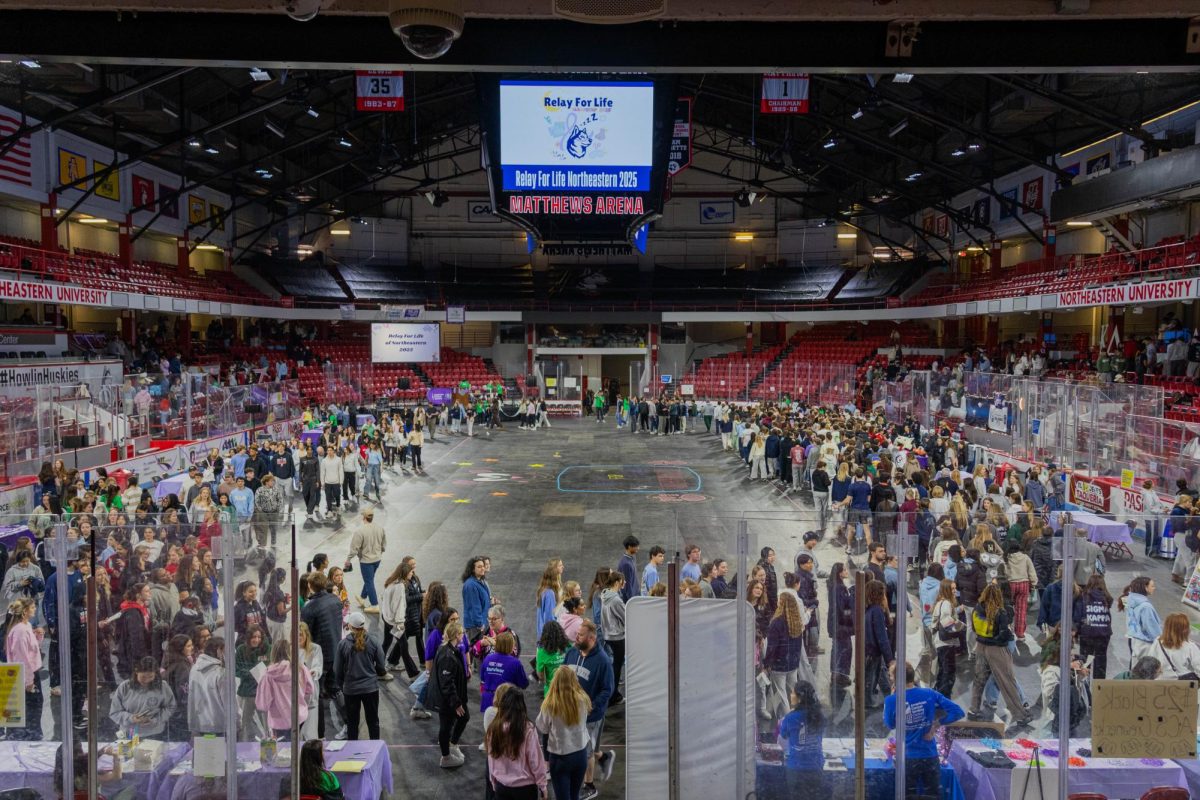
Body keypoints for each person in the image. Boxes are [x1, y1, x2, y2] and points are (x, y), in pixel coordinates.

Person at [884, 661, 965, 799]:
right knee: (932, 795)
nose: (890, 679)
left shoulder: (892, 700)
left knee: (907, 795)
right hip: (930, 756)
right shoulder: (929, 693)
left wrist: (892, 698)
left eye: (891, 676)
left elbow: (890, 724)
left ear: (897, 680)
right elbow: (958, 712)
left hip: (907, 758)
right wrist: (937, 724)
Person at [968, 584, 1034, 733]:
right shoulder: (1000, 612)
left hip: (980, 646)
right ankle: (1021, 715)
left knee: (979, 680)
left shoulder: (977, 609)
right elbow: (1004, 634)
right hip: (996, 649)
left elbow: (973, 628)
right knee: (1007, 681)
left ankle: (973, 710)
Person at [564, 619, 615, 800]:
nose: (576, 637)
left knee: (586, 751)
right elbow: (563, 674)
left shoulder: (602, 661)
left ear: (592, 638)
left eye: (580, 635)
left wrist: (591, 706)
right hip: (570, 712)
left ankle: (590, 786)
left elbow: (608, 689)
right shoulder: (571, 653)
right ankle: (604, 757)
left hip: (591, 717)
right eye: (577, 634)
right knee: (584, 748)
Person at [537, 666, 592, 800]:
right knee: (574, 795)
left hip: (560, 757)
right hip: (580, 754)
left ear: (555, 682)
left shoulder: (550, 704)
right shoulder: (583, 699)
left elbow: (542, 727)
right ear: (575, 680)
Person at [300, 571, 342, 737]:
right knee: (335, 689)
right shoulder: (335, 600)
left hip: (320, 656)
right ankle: (348, 723)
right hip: (336, 650)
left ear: (310, 586)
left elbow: (305, 633)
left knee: (316, 695)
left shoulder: (309, 607)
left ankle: (320, 733)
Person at [486, 688, 548, 800]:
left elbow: (491, 758)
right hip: (525, 789)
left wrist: (493, 780)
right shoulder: (528, 728)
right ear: (521, 706)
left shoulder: (493, 728)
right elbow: (535, 761)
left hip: (502, 786)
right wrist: (542, 786)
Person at [334, 611, 387, 740]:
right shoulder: (374, 641)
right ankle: (375, 750)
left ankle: (353, 753)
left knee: (352, 724)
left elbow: (337, 670)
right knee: (373, 721)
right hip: (371, 688)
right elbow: (381, 666)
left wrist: (342, 686)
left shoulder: (342, 645)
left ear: (350, 627)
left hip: (351, 690)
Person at [764, 592, 812, 720]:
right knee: (794, 691)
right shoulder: (797, 622)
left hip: (779, 664)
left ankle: (785, 720)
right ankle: (799, 715)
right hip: (793, 664)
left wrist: (767, 663)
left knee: (781, 693)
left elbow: (772, 647)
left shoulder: (776, 623)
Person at [429, 620, 470, 769]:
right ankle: (446, 757)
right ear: (457, 635)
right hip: (447, 700)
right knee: (446, 726)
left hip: (451, 698)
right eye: (462, 634)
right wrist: (456, 703)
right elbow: (447, 682)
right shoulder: (448, 656)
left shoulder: (449, 649)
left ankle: (452, 744)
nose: (464, 636)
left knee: (463, 718)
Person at [776, 681, 826, 800]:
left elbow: (782, 741)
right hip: (816, 767)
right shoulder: (820, 716)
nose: (791, 694)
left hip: (796, 769)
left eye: (793, 692)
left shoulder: (790, 718)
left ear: (799, 698)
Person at [256, 638, 315, 739]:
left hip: (278, 721)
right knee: (296, 745)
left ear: (273, 652)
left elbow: (263, 704)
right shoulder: (300, 668)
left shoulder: (268, 674)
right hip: (298, 716)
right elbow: (310, 689)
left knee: (282, 750)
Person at [109, 656, 176, 739]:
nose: (147, 680)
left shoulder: (163, 686)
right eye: (143, 677)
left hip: (155, 734)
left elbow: (171, 707)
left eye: (151, 677)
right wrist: (131, 718)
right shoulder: (124, 687)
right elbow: (114, 713)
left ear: (155, 673)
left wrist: (156, 720)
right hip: (129, 735)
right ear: (136, 671)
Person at [5, 598, 42, 740]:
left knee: (33, 707)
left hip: (30, 672)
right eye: (32, 608)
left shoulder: (26, 626)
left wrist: (37, 637)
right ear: (25, 612)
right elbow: (21, 657)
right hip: (26, 675)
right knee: (30, 708)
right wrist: (28, 681)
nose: (34, 609)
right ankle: (27, 736)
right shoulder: (20, 630)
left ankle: (30, 734)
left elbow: (31, 650)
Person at [1073, 574, 1113, 679]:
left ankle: (1084, 685)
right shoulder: (1107, 598)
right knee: (1101, 660)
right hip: (1104, 633)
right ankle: (1099, 687)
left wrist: (1076, 633)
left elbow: (1078, 616)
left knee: (1085, 660)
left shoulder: (1083, 597)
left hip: (1087, 632)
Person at [345, 508, 386, 609]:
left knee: (369, 581)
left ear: (363, 517)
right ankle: (362, 597)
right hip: (377, 559)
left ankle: (374, 605)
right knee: (369, 579)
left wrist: (348, 559)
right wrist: (379, 552)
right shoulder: (380, 528)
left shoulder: (360, 531)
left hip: (366, 561)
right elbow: (383, 544)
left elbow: (354, 548)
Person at [188, 636, 229, 736]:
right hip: (219, 726)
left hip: (199, 724)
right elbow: (229, 703)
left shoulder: (194, 668)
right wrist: (237, 723)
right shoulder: (221, 673)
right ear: (219, 651)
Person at [236, 624, 270, 739]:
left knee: (266, 723)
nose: (256, 640)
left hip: (263, 692)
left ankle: (268, 743)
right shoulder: (241, 650)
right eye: (254, 637)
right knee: (245, 721)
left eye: (259, 637)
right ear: (248, 637)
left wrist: (249, 670)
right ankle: (244, 745)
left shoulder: (267, 648)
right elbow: (237, 670)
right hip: (246, 693)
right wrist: (254, 671)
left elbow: (268, 668)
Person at [481, 631, 529, 712]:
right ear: (510, 646)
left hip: (489, 701)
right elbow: (523, 684)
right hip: (506, 701)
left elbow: (483, 678)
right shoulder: (515, 663)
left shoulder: (488, 658)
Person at [599, 572, 627, 705]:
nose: (624, 583)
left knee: (615, 664)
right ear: (617, 582)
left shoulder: (605, 594)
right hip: (617, 636)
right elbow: (626, 616)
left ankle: (612, 692)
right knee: (617, 665)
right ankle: (614, 694)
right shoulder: (615, 600)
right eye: (623, 581)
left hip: (608, 634)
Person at [930, 578, 961, 698]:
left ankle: (938, 692)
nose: (955, 591)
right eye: (952, 588)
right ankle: (944, 697)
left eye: (955, 588)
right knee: (949, 671)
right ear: (947, 590)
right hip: (946, 642)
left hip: (940, 641)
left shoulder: (940, 602)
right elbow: (947, 623)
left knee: (943, 669)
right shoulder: (947, 604)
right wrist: (960, 626)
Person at [1120, 576, 1163, 661]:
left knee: (1135, 668)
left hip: (1132, 638)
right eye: (1152, 586)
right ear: (1145, 588)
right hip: (1144, 643)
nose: (1154, 588)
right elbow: (1151, 628)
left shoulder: (1127, 600)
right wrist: (1162, 641)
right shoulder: (1146, 607)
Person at [1155, 612, 1200, 680]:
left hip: (1160, 683)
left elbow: (1150, 662)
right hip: (1182, 686)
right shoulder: (1190, 647)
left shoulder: (1157, 642)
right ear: (1185, 629)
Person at [463, 555, 494, 644]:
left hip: (483, 623)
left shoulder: (480, 581)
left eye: (483, 566)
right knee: (477, 654)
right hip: (476, 628)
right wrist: (480, 624)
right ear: (473, 569)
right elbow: (474, 607)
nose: (483, 568)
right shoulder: (471, 585)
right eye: (479, 567)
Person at [536, 619, 571, 697]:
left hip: (551, 691)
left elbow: (540, 675)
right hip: (568, 688)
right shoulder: (568, 646)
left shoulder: (542, 652)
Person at [536, 558, 564, 640]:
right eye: (560, 565)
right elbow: (549, 616)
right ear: (555, 569)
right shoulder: (549, 593)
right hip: (550, 635)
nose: (563, 567)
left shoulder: (551, 589)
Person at [616, 535, 640, 603]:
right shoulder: (626, 563)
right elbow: (627, 586)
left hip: (634, 598)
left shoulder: (631, 559)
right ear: (629, 547)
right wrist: (632, 602)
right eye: (636, 546)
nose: (638, 548)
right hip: (629, 601)